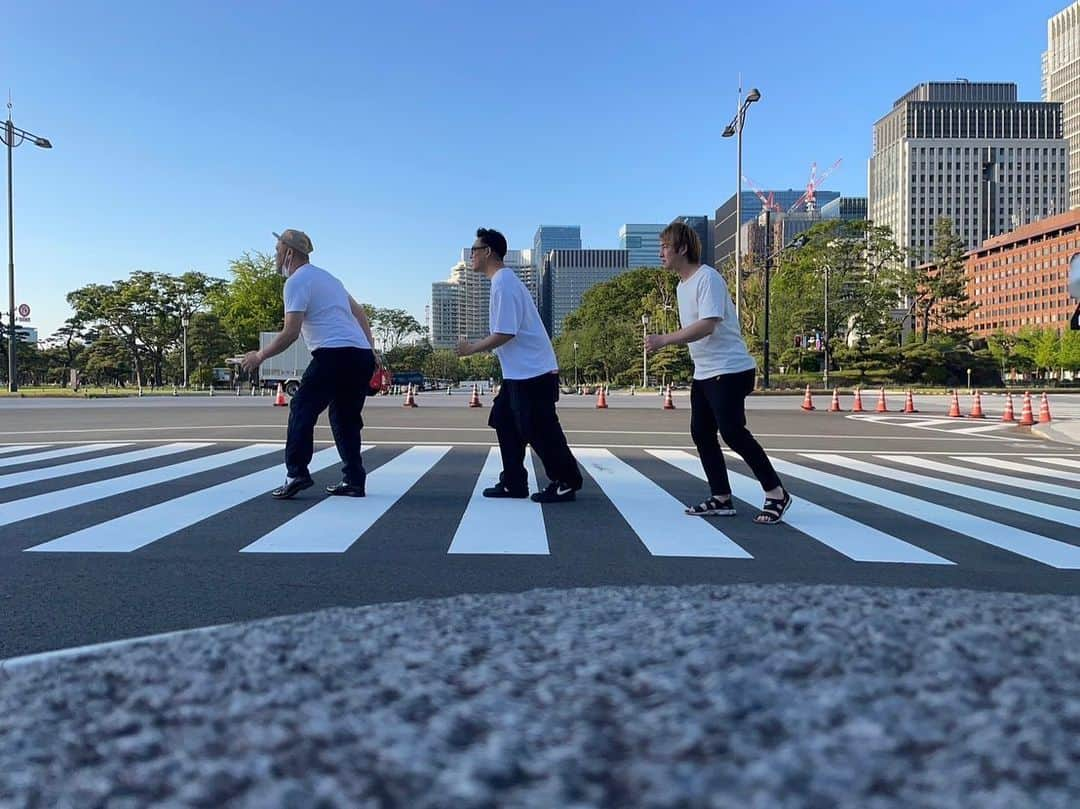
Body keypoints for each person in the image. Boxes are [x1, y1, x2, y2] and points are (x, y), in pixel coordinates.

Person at [645, 220, 791, 524]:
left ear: (682, 248)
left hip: (730, 369)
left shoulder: (706, 278)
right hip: (706, 373)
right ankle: (721, 497)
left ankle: (776, 493)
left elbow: (709, 323)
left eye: (665, 246)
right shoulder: (682, 285)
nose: (660, 253)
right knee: (701, 433)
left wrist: (664, 340)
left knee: (733, 432)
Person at [241, 229, 377, 499]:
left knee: (301, 407)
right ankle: (354, 479)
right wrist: (371, 350)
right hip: (359, 354)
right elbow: (359, 312)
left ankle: (297, 474)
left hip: (333, 354)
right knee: (344, 418)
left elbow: (291, 331)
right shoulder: (329, 279)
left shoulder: (296, 281)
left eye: (277, 251)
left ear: (289, 253)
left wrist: (259, 356)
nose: (275, 256)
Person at [456, 227, 583, 503]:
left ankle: (567, 480)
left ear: (488, 252)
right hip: (520, 374)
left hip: (533, 373)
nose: (471, 256)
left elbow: (506, 332)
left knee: (539, 429)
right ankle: (514, 481)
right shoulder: (503, 282)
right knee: (505, 420)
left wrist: (470, 350)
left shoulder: (503, 283)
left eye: (474, 250)